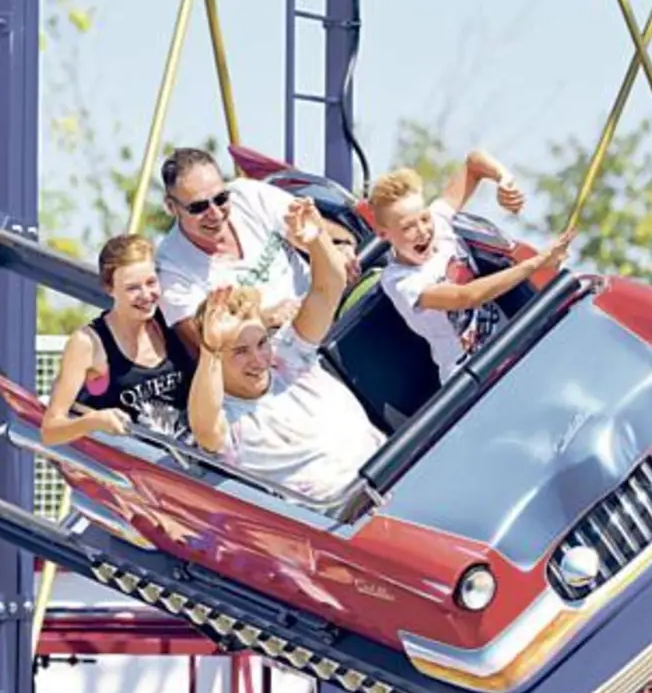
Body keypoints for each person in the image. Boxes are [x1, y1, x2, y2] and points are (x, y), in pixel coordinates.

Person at [186, 196, 386, 502]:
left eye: (261, 344)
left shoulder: (287, 356)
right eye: (240, 352)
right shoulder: (227, 421)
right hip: (346, 517)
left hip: (391, 468)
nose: (258, 360)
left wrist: (317, 240)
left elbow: (327, 288)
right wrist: (211, 349)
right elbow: (204, 427)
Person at [367, 152, 574, 382]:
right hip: (470, 376)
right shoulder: (401, 280)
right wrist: (537, 262)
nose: (424, 231)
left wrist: (503, 179)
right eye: (408, 228)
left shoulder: (440, 223)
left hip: (510, 344)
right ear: (384, 234)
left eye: (424, 219)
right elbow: (466, 296)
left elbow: (473, 164)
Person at [154, 147, 358, 356]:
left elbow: (314, 230)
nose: (214, 213)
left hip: (329, 311)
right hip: (273, 358)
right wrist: (263, 318)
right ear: (172, 207)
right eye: (198, 208)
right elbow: (204, 349)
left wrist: (339, 247)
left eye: (221, 198)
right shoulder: (171, 267)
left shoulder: (248, 195)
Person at [40, 234, 197, 445]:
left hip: (193, 460)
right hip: (133, 467)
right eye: (132, 288)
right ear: (109, 288)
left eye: (151, 282)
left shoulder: (170, 319)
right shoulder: (88, 343)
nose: (146, 294)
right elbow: (50, 430)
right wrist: (93, 421)